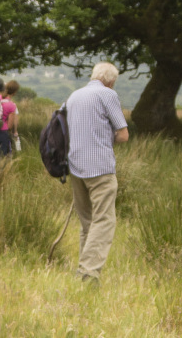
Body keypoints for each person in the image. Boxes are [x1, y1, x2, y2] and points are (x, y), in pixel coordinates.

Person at [65, 62, 129, 283]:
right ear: (111, 81)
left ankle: (83, 270)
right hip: (100, 167)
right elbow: (123, 135)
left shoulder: (73, 96)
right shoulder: (108, 95)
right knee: (104, 220)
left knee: (87, 222)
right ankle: (88, 273)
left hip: (75, 167)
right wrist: (103, 137)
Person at [3, 80, 21, 151]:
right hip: (6, 130)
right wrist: (15, 131)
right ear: (14, 93)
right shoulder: (12, 104)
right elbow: (15, 120)